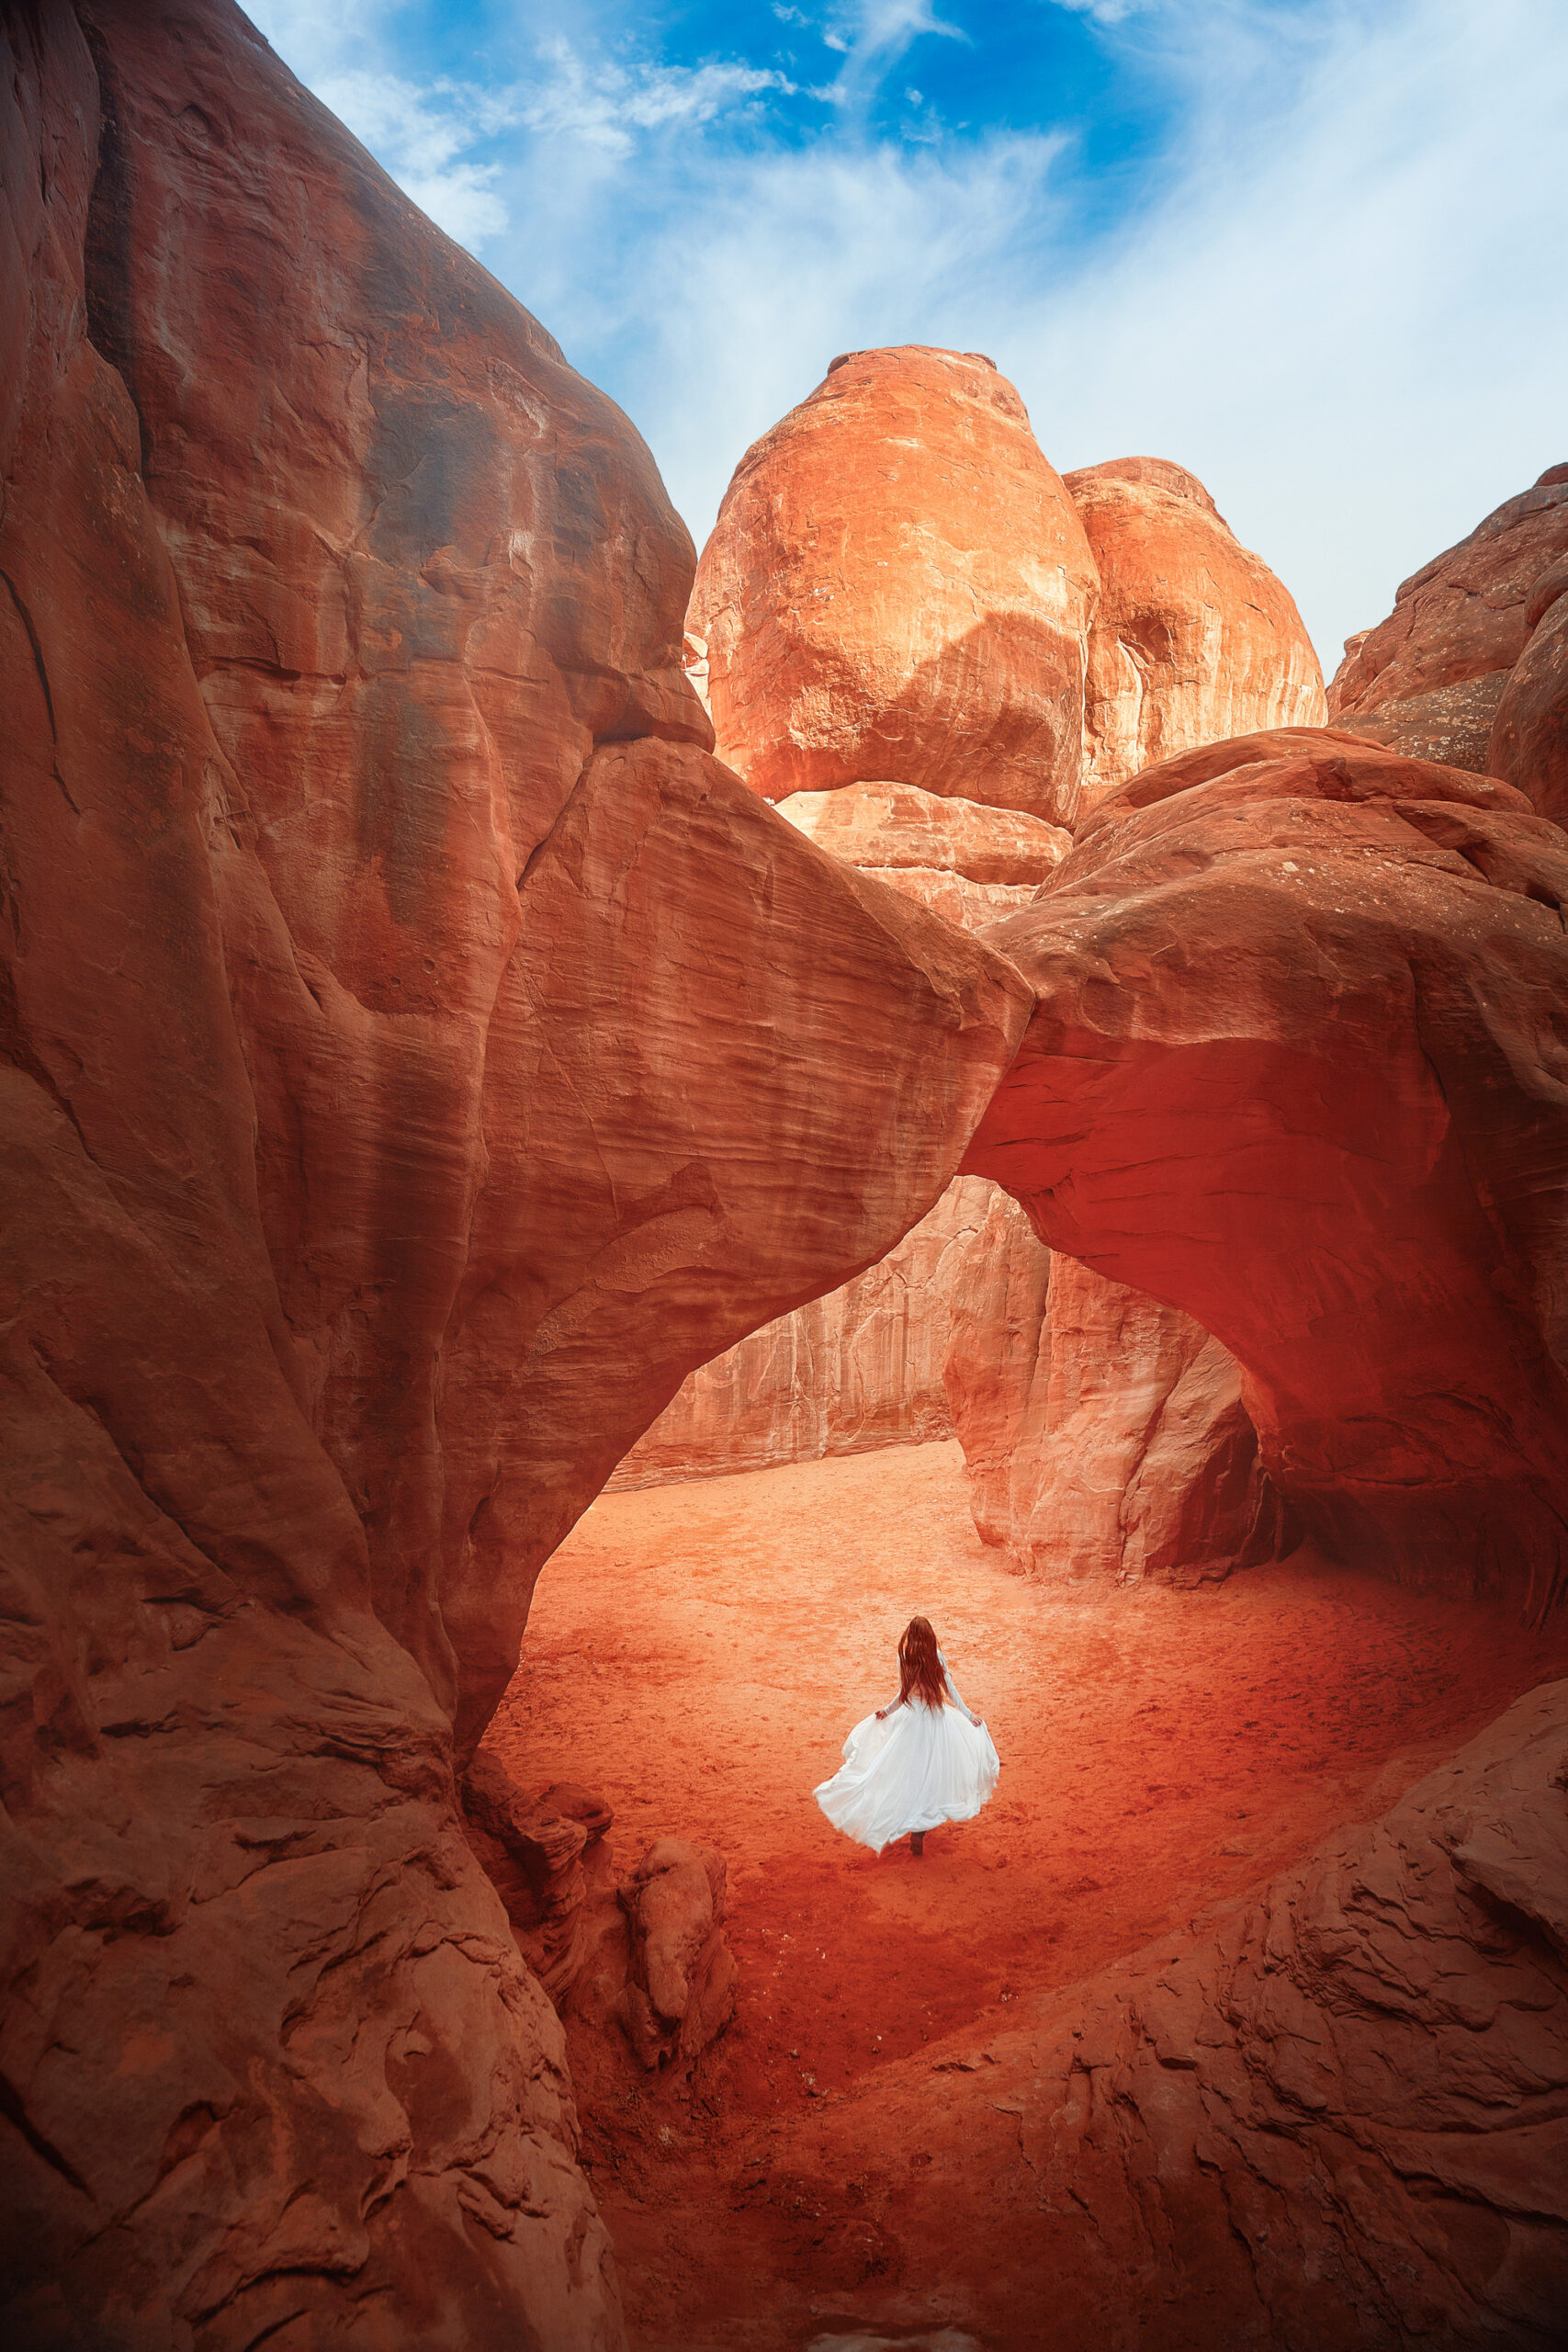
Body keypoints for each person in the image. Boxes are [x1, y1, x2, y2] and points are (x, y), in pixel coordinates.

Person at [814, 1615, 998, 1858]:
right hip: (935, 1721)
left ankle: (910, 1819)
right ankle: (920, 1827)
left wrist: (886, 1711)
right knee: (932, 1773)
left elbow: (902, 1694)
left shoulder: (905, 1659)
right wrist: (967, 1714)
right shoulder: (936, 1657)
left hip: (910, 1722)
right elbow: (950, 1691)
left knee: (908, 1772)